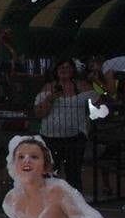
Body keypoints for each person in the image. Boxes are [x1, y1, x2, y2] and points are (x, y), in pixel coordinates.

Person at [35, 58, 92, 190]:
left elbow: (99, 101)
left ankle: (75, 204)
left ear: (73, 70)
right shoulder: (48, 87)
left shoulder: (82, 86)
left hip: (74, 137)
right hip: (50, 137)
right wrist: (50, 99)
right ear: (56, 71)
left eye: (68, 67)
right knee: (49, 173)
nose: (64, 70)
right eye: (61, 67)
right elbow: (38, 113)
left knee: (74, 174)